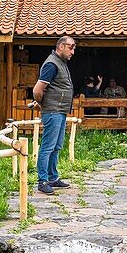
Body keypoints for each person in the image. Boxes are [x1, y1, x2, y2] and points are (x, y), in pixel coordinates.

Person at [32, 35, 76, 196]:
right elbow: (37, 90)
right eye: (71, 47)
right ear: (61, 46)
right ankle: (42, 181)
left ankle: (52, 177)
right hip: (52, 111)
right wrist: (43, 103)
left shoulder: (61, 63)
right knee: (48, 147)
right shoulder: (51, 64)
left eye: (74, 48)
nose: (73, 51)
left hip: (60, 111)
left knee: (56, 146)